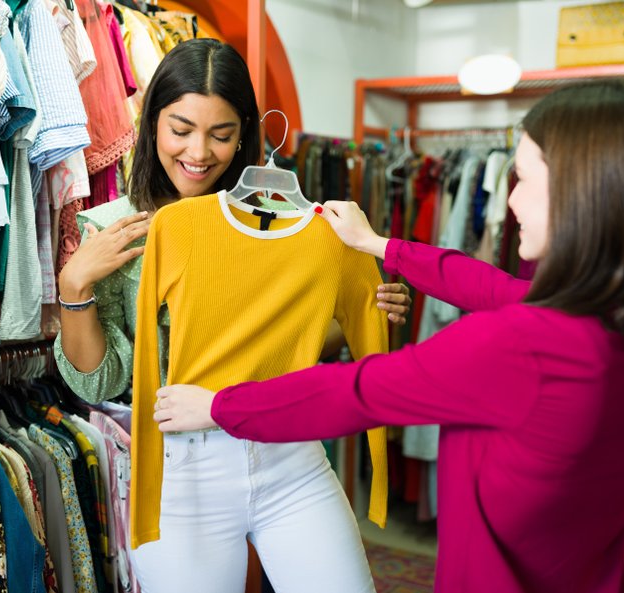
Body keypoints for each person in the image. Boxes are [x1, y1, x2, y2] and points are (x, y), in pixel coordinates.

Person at [153, 78, 624, 593]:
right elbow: (492, 285)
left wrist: (221, 406)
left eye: (526, 179)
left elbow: (357, 391)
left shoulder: (523, 346)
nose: (511, 201)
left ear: (589, 193)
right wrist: (382, 246)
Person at [55, 38, 410, 592]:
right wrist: (74, 283)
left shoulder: (288, 222)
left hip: (289, 449)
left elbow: (303, 344)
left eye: (221, 135)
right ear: (151, 126)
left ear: (244, 134)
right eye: (181, 130)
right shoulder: (116, 230)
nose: (199, 152)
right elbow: (103, 378)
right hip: (183, 469)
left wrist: (366, 314)